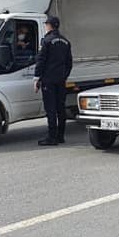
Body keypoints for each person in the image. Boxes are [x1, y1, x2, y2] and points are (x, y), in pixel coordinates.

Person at [35, 16, 73, 146]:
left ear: (50, 25)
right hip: (60, 80)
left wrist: (37, 78)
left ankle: (52, 137)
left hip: (48, 80)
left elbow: (41, 60)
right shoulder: (66, 41)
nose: (45, 26)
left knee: (50, 109)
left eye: (46, 24)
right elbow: (69, 63)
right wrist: (64, 75)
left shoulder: (46, 41)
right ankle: (60, 136)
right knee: (60, 108)